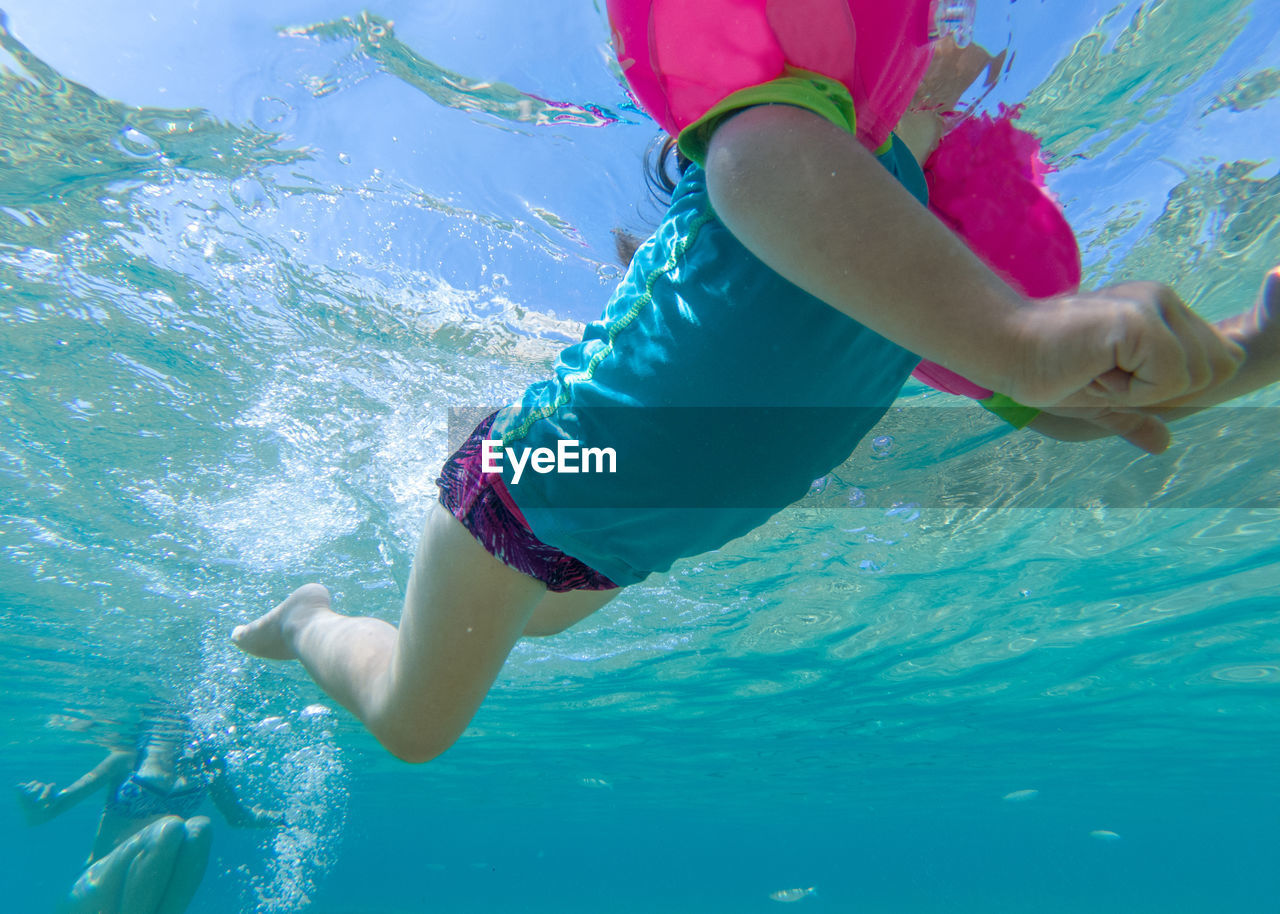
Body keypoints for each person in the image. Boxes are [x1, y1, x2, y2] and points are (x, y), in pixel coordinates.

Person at [232, 0, 1278, 764]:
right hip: (534, 483)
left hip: (613, 553)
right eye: (928, 16)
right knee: (416, 726)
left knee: (521, 622)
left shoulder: (928, 282)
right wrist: (1019, 334)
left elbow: (1064, 402)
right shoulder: (780, 135)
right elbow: (754, 161)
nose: (953, 33)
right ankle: (307, 621)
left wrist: (1238, 357)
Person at [16, 724, 281, 914]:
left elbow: (238, 817)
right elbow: (46, 812)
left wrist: (283, 818)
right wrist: (35, 800)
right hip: (95, 888)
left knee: (201, 827)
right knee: (169, 827)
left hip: (145, 899)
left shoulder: (208, 764)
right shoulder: (127, 759)